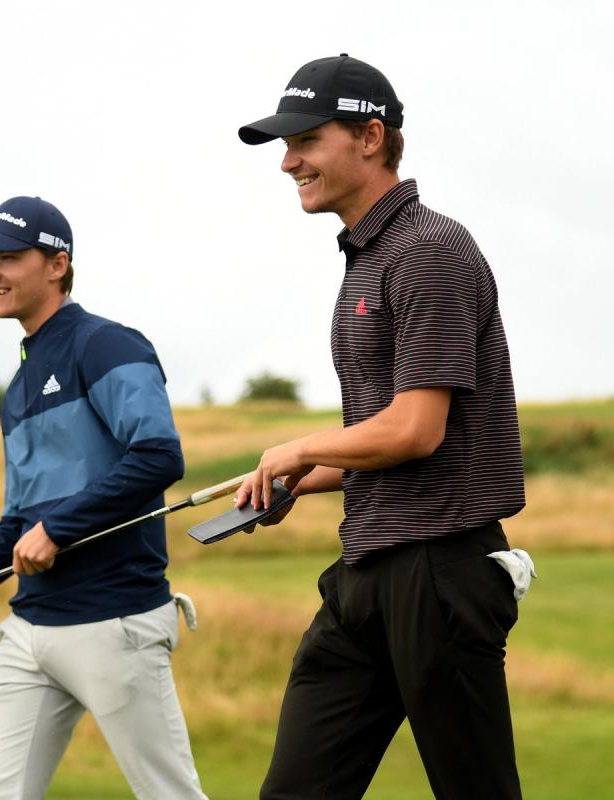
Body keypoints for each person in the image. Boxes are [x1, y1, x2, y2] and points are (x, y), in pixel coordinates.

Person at [235, 54, 529, 799]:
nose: (288, 162)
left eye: (306, 140)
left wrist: (302, 446)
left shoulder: (428, 249)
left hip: (440, 572)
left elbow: (416, 431)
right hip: (365, 572)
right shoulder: (369, 257)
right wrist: (298, 476)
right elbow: (387, 441)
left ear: (371, 138)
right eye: (286, 145)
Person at [0, 196, 207, 800]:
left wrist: (58, 529)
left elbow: (158, 456)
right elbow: (20, 524)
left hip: (116, 622)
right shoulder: (19, 387)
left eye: (7, 258)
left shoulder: (107, 345)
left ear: (57, 264)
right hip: (30, 630)